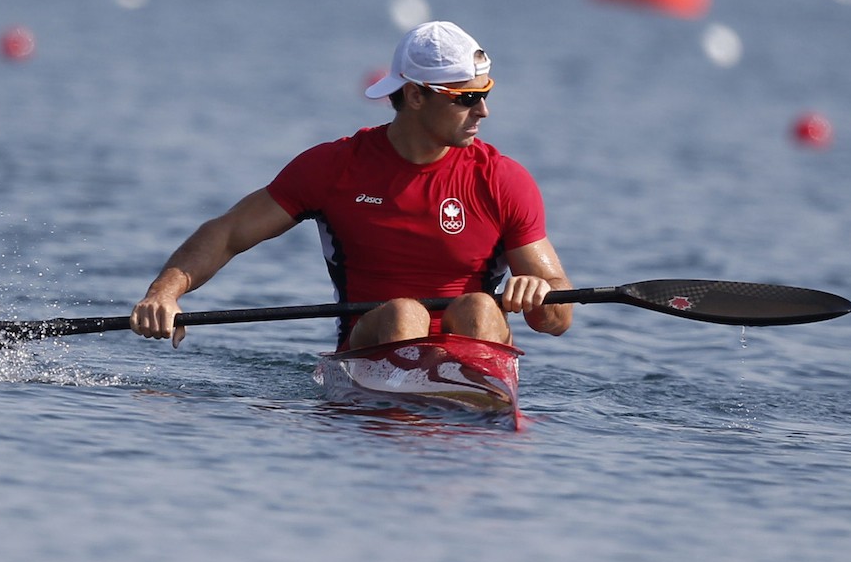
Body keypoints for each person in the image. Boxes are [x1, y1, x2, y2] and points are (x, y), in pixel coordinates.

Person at [130, 20, 573, 349]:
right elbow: (227, 233)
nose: (483, 112)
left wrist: (540, 293)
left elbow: (557, 319)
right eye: (466, 98)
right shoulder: (335, 168)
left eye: (486, 94)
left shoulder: (501, 179)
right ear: (416, 96)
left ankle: (463, 423)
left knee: (478, 306)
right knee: (404, 313)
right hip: (373, 350)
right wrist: (163, 294)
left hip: (477, 351)